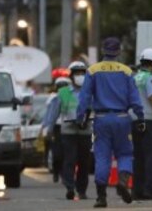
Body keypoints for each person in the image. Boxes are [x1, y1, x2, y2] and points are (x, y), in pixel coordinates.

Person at [76, 38, 144, 208]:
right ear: (119, 51)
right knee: (125, 154)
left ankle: (101, 197)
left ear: (103, 50)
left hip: (101, 119)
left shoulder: (93, 71)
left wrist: (81, 118)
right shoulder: (127, 71)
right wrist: (140, 116)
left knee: (102, 156)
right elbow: (135, 98)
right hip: (122, 118)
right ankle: (122, 180)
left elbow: (84, 97)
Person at [131, 48, 152, 201]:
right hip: (149, 121)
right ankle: (149, 190)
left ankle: (137, 190)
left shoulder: (135, 77)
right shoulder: (149, 78)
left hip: (135, 120)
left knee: (138, 157)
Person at [59, 62, 93, 201]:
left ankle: (82, 190)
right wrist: (48, 129)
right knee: (70, 160)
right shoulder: (63, 92)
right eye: (77, 73)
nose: (80, 76)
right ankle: (70, 187)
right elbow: (55, 112)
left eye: (82, 73)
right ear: (71, 76)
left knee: (84, 162)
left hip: (85, 132)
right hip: (68, 132)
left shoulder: (91, 92)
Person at [41, 69, 71, 183]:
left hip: (68, 127)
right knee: (56, 153)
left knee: (67, 153)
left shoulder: (71, 97)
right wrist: (46, 127)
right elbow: (49, 115)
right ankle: (56, 171)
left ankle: (66, 175)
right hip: (56, 128)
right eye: (60, 86)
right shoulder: (53, 99)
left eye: (65, 86)